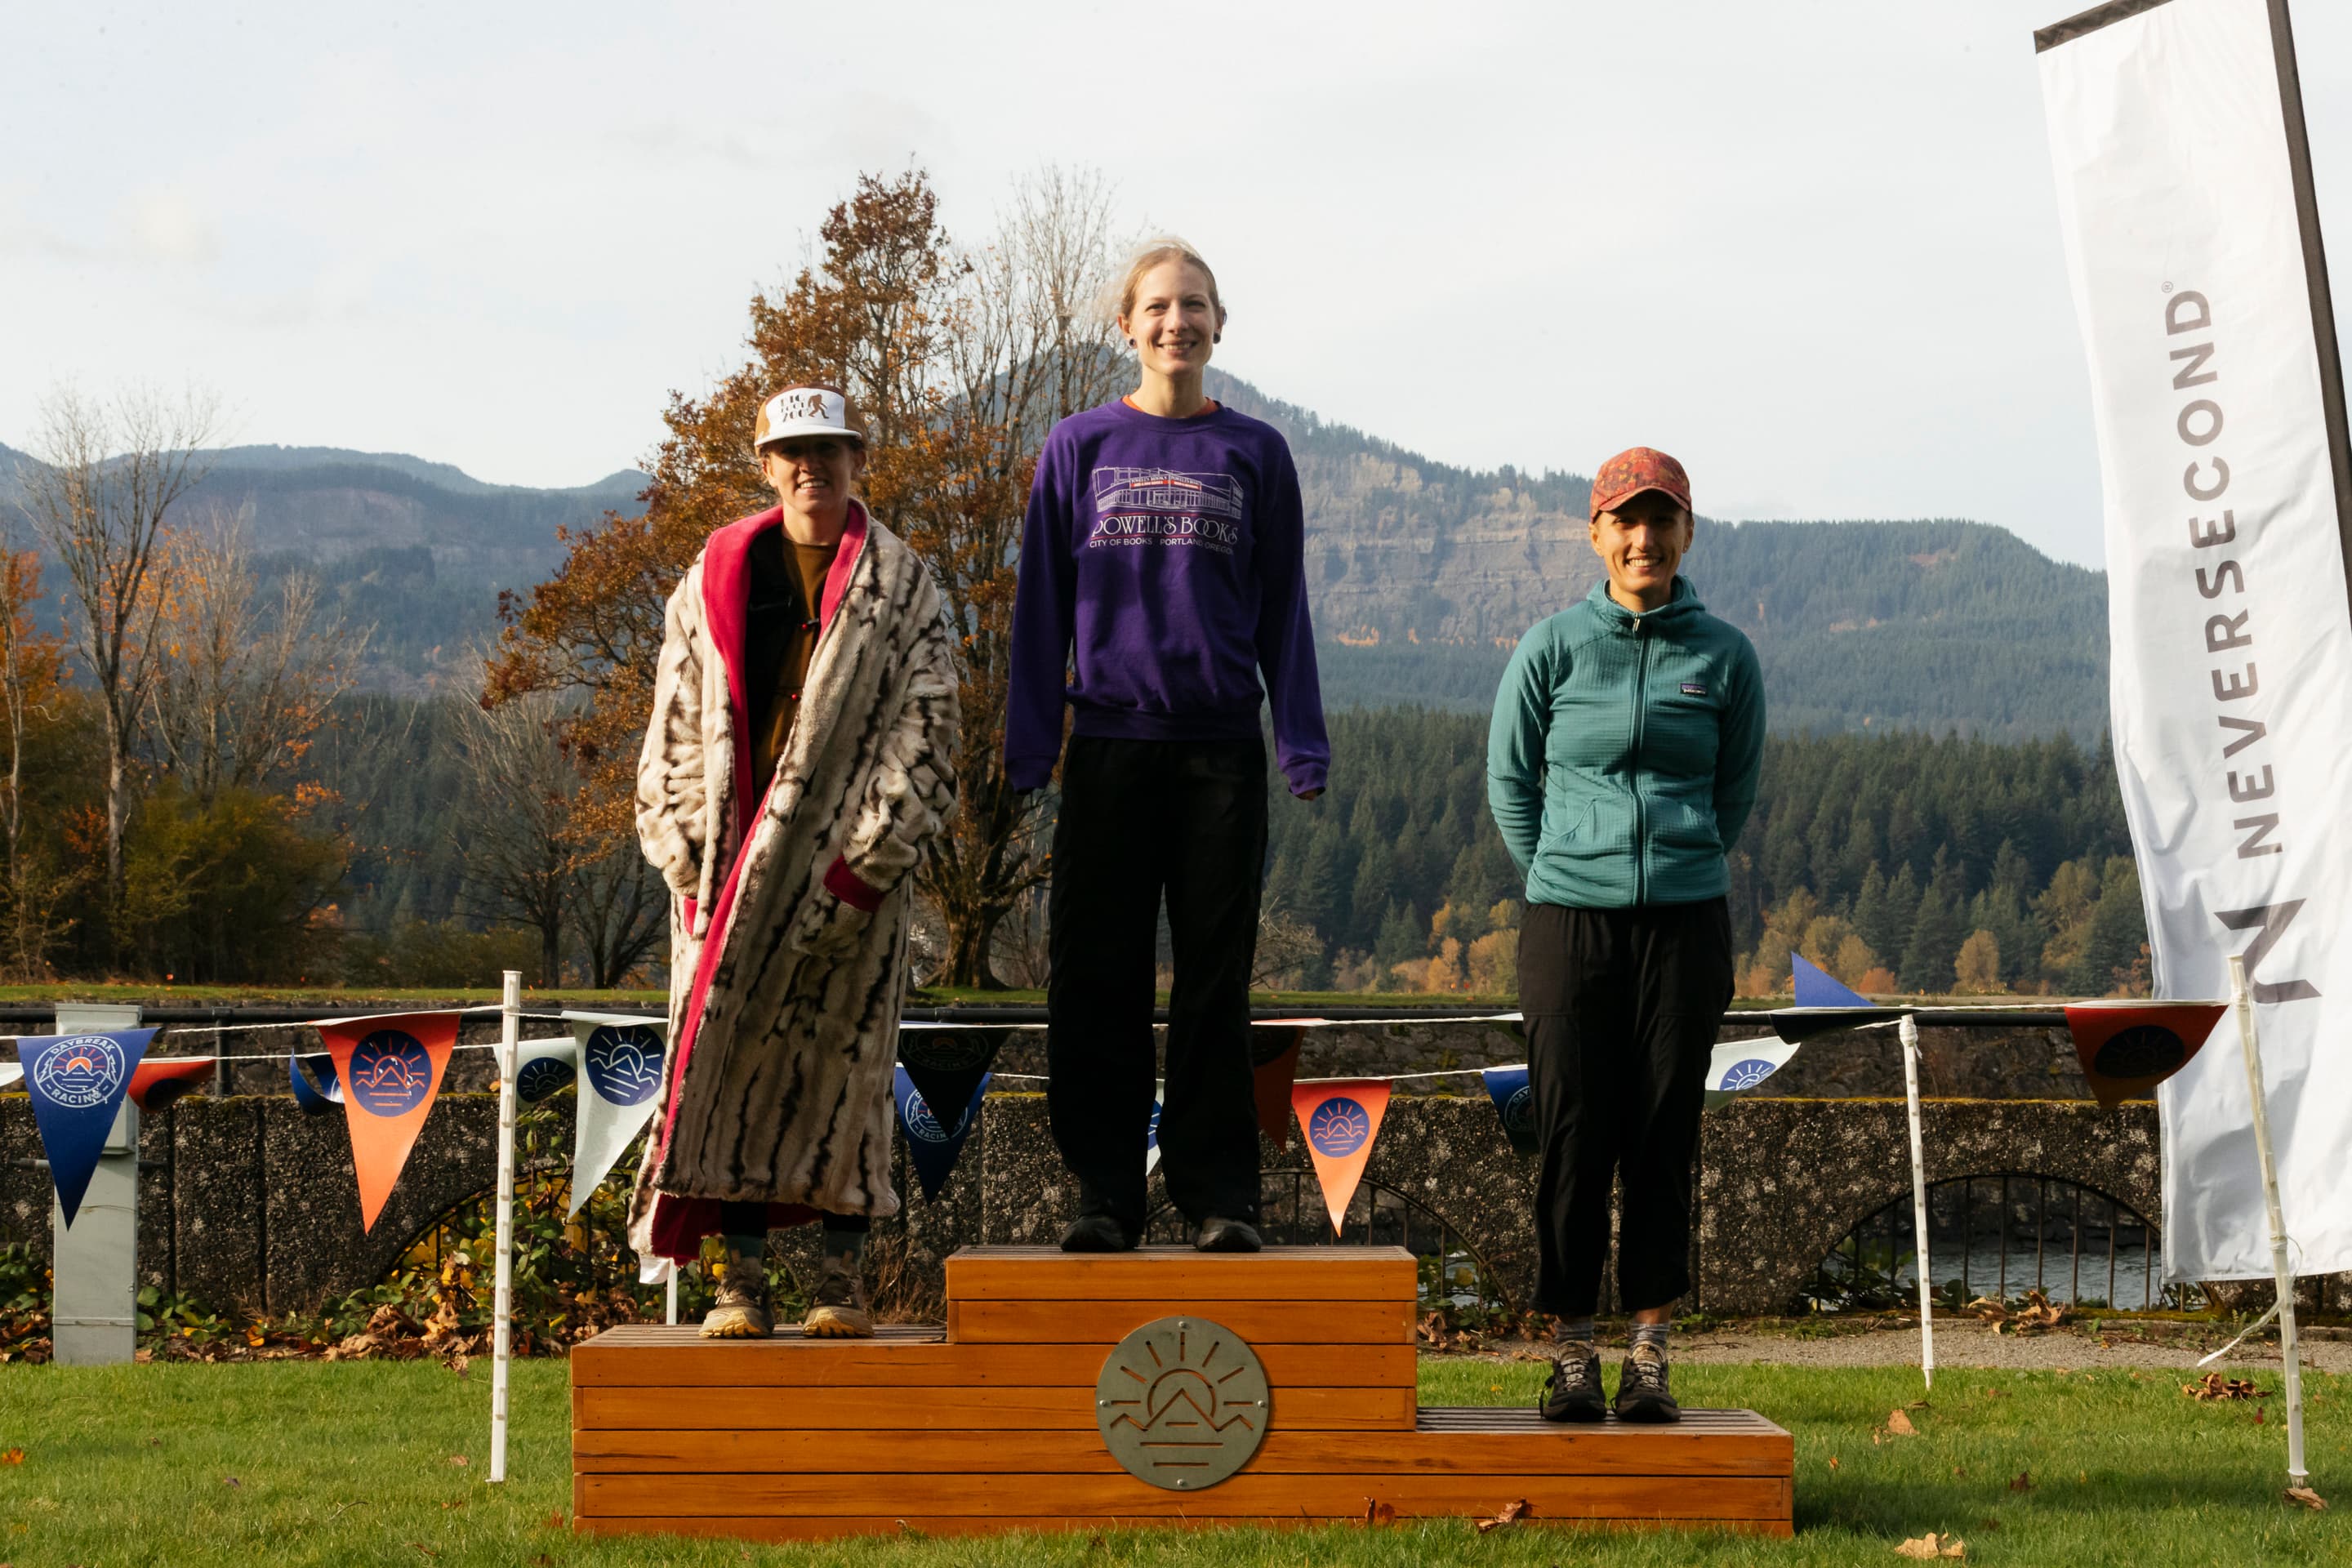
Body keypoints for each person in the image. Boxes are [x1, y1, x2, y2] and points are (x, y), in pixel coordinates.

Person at [1006, 239, 1329, 1254]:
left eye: (1194, 306)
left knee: (1214, 984)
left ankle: (1219, 1196)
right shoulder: (1078, 445)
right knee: (1094, 979)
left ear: (1219, 325)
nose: (1175, 323)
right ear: (1128, 325)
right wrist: (1028, 750)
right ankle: (1105, 1194)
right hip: (1109, 747)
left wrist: (1300, 743)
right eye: (1157, 307)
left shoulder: (1257, 454)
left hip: (1221, 754)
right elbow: (1040, 608)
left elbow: (1286, 612)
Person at [629, 384, 960, 1338]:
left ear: (859, 459)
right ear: (767, 465)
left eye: (830, 450)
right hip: (727, 873)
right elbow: (676, 716)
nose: (812, 467)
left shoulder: (905, 586)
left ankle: (841, 1280)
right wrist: (683, 848)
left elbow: (927, 730)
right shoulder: (711, 578)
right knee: (726, 1072)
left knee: (845, 1068)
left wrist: (862, 868)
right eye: (793, 452)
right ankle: (742, 1282)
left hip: (847, 875)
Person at [1486, 447, 1764, 1423]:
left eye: (1663, 520)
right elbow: (1510, 785)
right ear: (1597, 533)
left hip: (1686, 926)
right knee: (1572, 1132)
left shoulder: (1723, 655)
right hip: (1569, 923)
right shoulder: (1552, 646)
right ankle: (1572, 1352)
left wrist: (1683, 863)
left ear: (1687, 533)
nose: (1644, 538)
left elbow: (1732, 794)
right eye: (1625, 521)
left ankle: (1649, 1352)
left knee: (1660, 1134)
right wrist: (1562, 869)